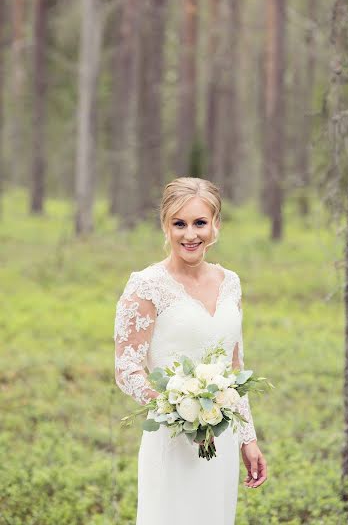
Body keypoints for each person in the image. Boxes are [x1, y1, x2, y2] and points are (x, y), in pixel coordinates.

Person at [114, 177, 268, 524]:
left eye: (200, 222)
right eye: (178, 224)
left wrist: (247, 439)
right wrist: (175, 406)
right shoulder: (146, 286)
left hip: (221, 438)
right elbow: (127, 368)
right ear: (165, 227)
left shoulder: (231, 282)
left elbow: (234, 367)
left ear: (216, 225)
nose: (190, 234)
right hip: (172, 438)